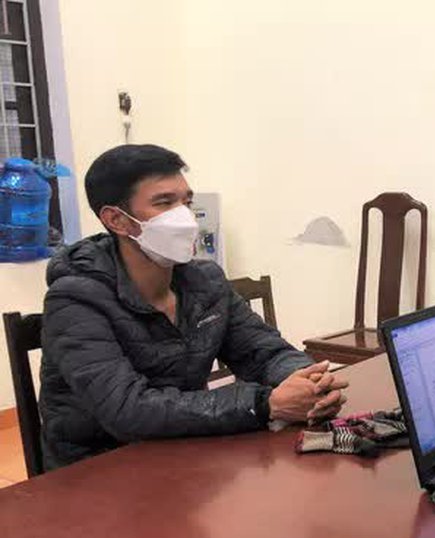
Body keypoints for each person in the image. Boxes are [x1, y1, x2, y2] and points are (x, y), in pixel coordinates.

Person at [39, 144, 347, 469]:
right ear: (117, 219)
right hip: (98, 472)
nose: (185, 217)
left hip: (185, 449)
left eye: (186, 201)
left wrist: (307, 381)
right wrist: (264, 404)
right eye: (164, 203)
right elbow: (127, 410)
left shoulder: (205, 281)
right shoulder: (74, 299)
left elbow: (263, 351)